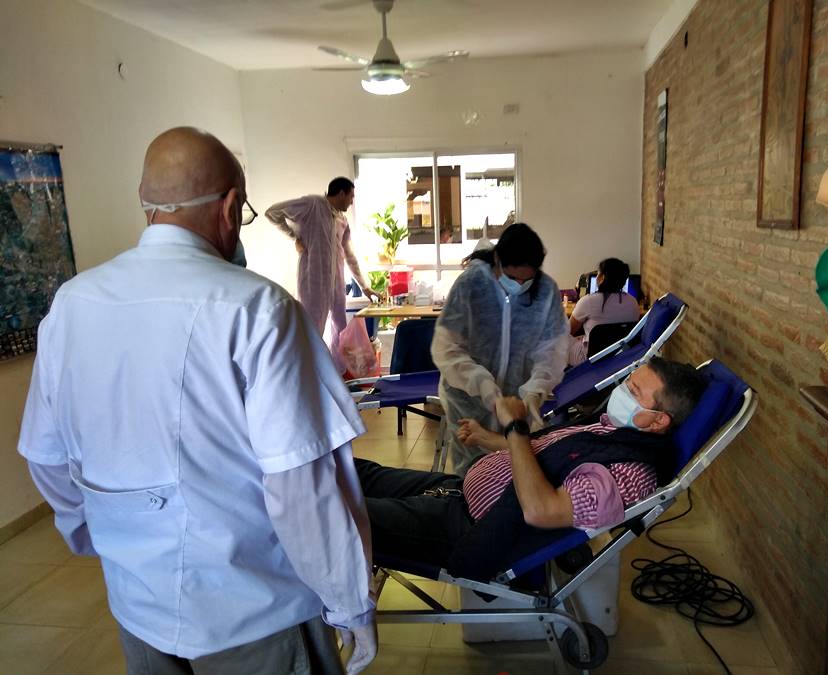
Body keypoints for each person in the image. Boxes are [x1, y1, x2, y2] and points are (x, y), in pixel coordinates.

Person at [18, 128, 377, 675]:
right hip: (255, 613)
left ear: (147, 203)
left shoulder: (72, 304)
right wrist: (349, 599)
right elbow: (298, 486)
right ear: (231, 206)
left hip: (137, 605)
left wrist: (106, 536)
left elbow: (46, 457)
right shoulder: (257, 309)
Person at [358, 357, 706, 581]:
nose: (622, 390)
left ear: (659, 421)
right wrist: (490, 439)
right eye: (628, 381)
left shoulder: (629, 474)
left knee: (343, 516)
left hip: (465, 531)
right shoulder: (611, 431)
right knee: (357, 473)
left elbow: (541, 510)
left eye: (634, 391)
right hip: (455, 493)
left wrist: (515, 427)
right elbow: (542, 454)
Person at [431, 223, 568, 475]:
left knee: (516, 471)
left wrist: (535, 389)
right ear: (498, 260)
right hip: (468, 401)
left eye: (527, 280)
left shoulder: (545, 290)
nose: (520, 285)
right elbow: (447, 348)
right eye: (513, 278)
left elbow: (551, 350)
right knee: (473, 474)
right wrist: (483, 386)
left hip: (517, 405)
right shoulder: (471, 285)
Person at [265, 177, 378, 371]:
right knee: (312, 329)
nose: (352, 202)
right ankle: (308, 375)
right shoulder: (313, 204)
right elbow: (273, 212)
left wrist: (365, 286)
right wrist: (295, 236)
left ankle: (337, 374)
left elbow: (350, 255)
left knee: (340, 328)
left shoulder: (342, 220)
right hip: (313, 281)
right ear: (341, 193)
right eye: (351, 197)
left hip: (336, 282)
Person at [568, 258, 640, 366]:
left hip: (589, 359)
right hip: (619, 357)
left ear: (602, 277)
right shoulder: (633, 303)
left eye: (598, 273)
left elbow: (568, 331)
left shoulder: (588, 301)